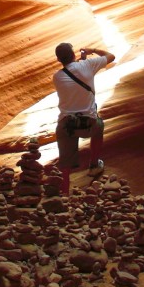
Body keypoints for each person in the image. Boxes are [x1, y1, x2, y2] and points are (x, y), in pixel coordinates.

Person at [53, 42, 115, 195]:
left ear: (58, 60)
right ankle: (94, 166)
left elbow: (72, 75)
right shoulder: (88, 65)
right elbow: (111, 56)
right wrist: (91, 51)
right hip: (88, 124)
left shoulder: (57, 77)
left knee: (65, 160)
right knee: (99, 126)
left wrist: (80, 62)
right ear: (74, 54)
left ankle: (64, 192)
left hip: (66, 125)